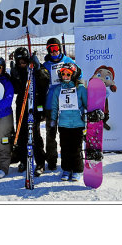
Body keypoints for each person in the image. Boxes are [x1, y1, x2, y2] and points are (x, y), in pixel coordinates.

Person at [10, 47, 50, 177]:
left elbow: (45, 81)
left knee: (35, 134)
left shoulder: (36, 68)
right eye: (19, 62)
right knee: (21, 133)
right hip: (21, 104)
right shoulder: (18, 71)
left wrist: (37, 69)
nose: (22, 64)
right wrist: (14, 76)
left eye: (24, 61)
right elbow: (16, 90)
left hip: (35, 103)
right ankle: (23, 160)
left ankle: (40, 163)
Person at [42, 37, 80, 170]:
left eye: (55, 48)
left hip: (67, 105)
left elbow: (79, 76)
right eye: (50, 49)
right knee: (51, 133)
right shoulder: (45, 65)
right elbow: (40, 85)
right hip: (50, 105)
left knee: (68, 133)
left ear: (60, 48)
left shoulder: (68, 61)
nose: (53, 52)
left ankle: (69, 161)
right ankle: (51, 160)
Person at [51, 63, 87, 181]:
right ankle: (66, 169)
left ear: (74, 75)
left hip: (77, 124)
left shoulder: (80, 89)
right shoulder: (58, 90)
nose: (65, 76)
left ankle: (77, 170)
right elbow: (55, 107)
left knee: (76, 148)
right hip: (64, 124)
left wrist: (88, 116)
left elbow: (87, 105)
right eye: (63, 74)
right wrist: (53, 122)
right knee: (65, 148)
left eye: (68, 74)